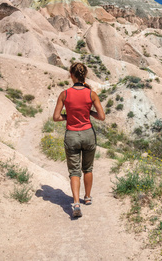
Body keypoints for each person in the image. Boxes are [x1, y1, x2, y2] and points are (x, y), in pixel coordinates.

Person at [53, 62, 105, 218]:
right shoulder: (91, 94)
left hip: (72, 135)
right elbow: (101, 116)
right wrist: (88, 114)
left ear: (71, 75)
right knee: (88, 168)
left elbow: (56, 117)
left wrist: (68, 117)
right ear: (85, 75)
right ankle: (87, 198)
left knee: (74, 171)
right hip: (88, 134)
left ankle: (76, 203)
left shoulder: (65, 94)